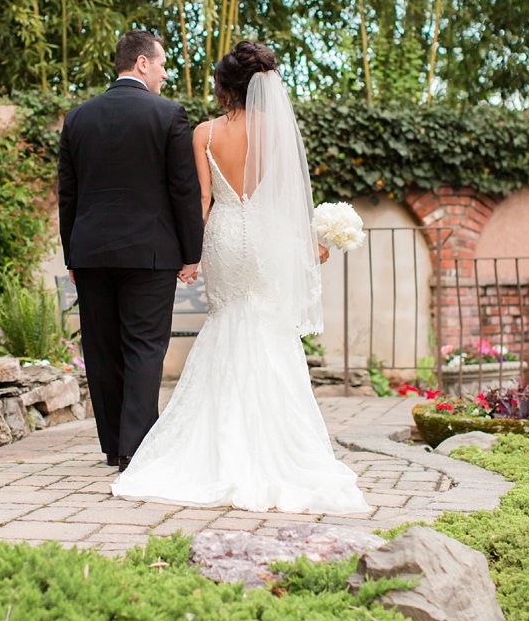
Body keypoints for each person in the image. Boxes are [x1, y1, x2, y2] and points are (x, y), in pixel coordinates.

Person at [113, 41, 366, 513]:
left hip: (225, 238)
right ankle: (276, 443)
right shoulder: (279, 132)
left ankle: (217, 441)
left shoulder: (204, 133)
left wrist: (190, 258)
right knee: (267, 324)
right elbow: (288, 201)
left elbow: (201, 204)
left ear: (224, 87)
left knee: (228, 320)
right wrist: (308, 247)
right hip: (268, 238)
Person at [57, 30, 204, 470]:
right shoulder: (168, 115)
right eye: (161, 64)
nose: (164, 73)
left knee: (102, 349)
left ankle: (113, 446)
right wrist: (191, 252)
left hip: (92, 253)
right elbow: (183, 190)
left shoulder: (78, 118)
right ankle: (136, 450)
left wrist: (72, 256)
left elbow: (69, 194)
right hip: (150, 254)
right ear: (142, 63)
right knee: (143, 346)